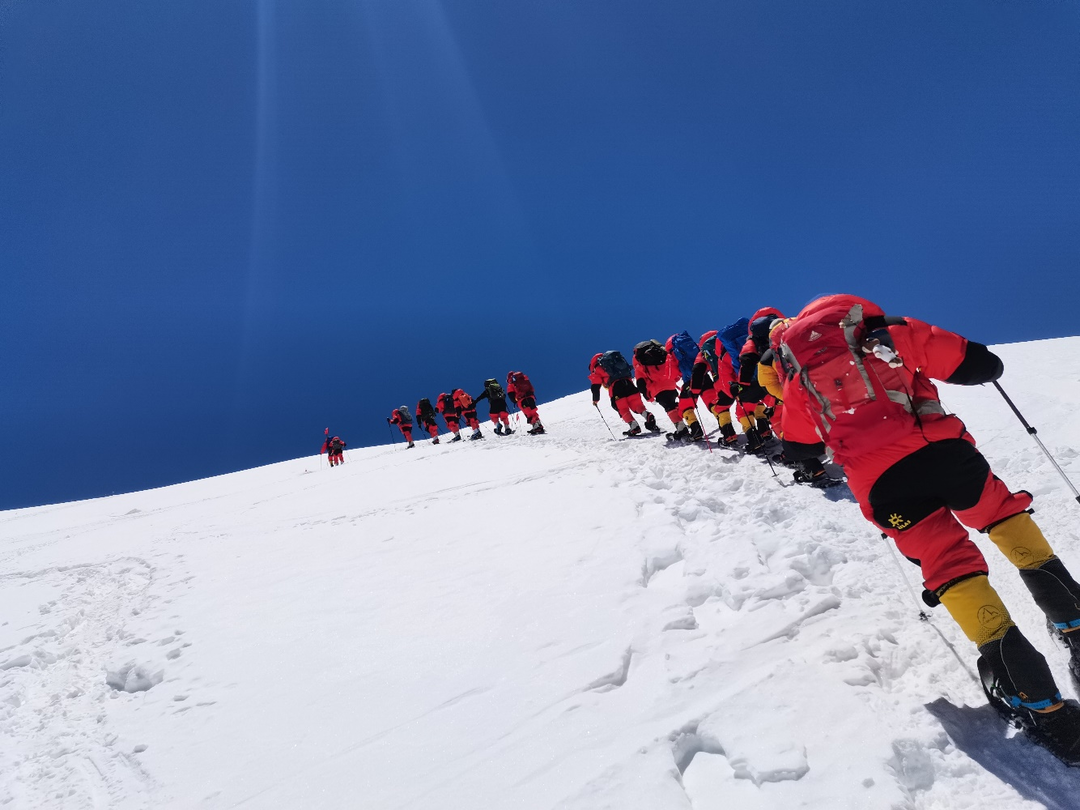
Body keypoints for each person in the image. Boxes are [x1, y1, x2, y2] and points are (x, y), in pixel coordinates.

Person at [778, 293, 1080, 763]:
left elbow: (798, 449)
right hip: (943, 455)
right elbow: (982, 365)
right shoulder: (888, 332)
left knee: (949, 566)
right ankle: (1075, 625)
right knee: (1002, 517)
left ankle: (1041, 705)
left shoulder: (799, 379)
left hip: (883, 486)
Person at [632, 339, 698, 440]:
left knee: (669, 407)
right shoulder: (660, 353)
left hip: (657, 388)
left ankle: (681, 428)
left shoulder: (639, 363)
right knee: (673, 404)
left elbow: (641, 382)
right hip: (670, 383)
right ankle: (687, 423)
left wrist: (647, 396)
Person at [588, 351, 657, 436]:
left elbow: (596, 385)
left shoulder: (598, 368)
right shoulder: (615, 362)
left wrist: (595, 399)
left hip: (616, 387)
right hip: (629, 383)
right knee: (637, 404)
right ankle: (647, 415)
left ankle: (634, 426)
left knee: (621, 408)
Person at [507, 371, 546, 435]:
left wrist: (515, 400)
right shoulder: (523, 378)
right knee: (533, 411)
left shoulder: (511, 384)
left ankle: (536, 427)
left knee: (528, 413)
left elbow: (511, 395)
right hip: (531, 397)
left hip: (522, 399)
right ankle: (539, 425)